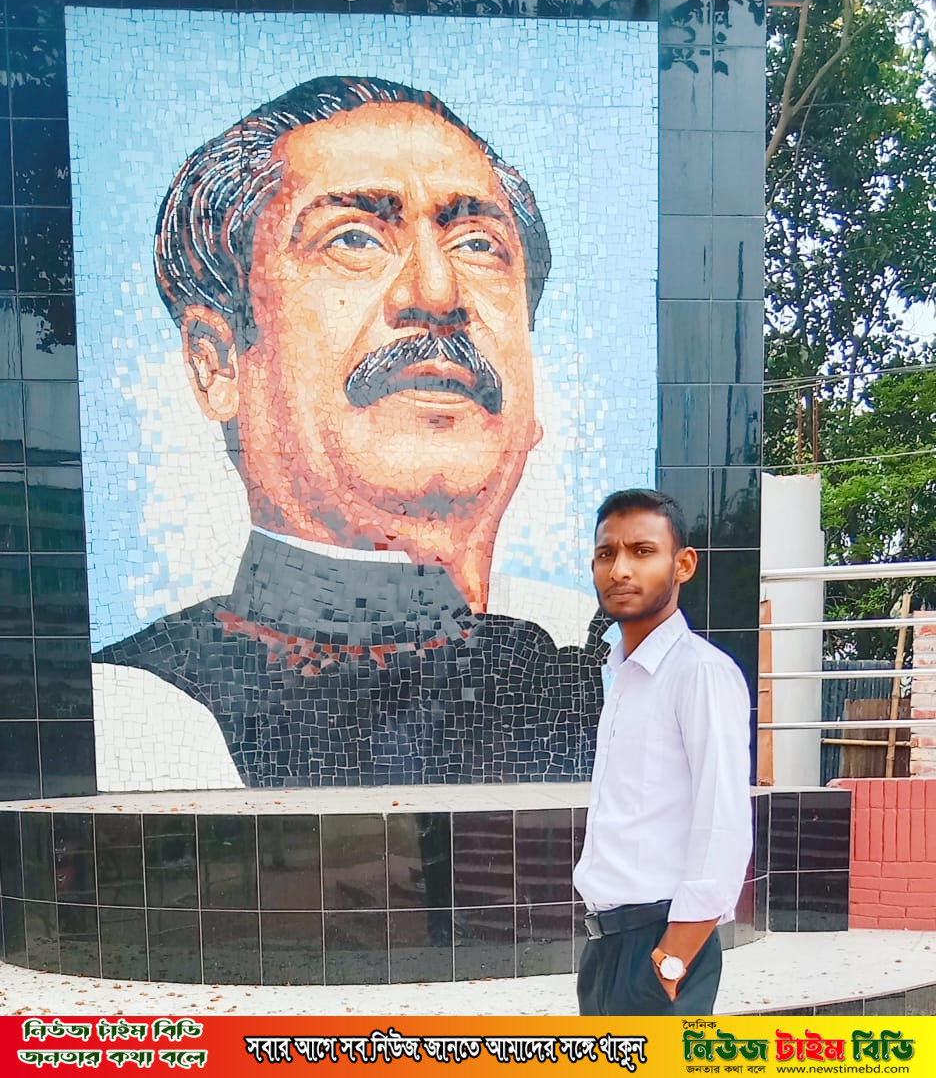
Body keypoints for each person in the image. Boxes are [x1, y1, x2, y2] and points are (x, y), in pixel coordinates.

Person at [92, 76, 605, 789]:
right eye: (354, 238)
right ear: (218, 364)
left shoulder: (603, 657)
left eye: (477, 244)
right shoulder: (139, 705)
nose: (436, 292)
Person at [573, 489, 752, 1016]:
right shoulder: (623, 673)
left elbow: (723, 822)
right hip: (607, 948)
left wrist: (673, 959)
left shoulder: (700, 672)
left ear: (683, 565)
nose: (620, 569)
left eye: (643, 551)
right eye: (606, 554)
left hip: (661, 945)